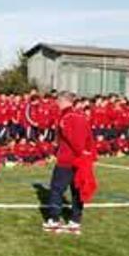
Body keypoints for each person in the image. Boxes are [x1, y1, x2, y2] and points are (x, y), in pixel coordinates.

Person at [43, 92, 92, 235]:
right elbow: (89, 137)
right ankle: (75, 221)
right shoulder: (82, 116)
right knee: (77, 190)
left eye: (58, 101)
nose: (57, 103)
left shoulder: (66, 117)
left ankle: (54, 219)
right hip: (80, 160)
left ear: (64, 101)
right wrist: (86, 153)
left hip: (67, 160)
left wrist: (79, 151)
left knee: (57, 189)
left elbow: (72, 139)